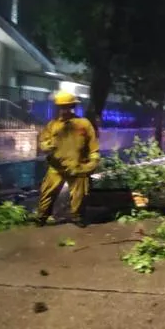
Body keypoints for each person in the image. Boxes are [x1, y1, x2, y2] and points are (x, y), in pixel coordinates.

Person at [36, 91, 99, 227]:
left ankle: (78, 218)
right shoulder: (52, 125)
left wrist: (93, 161)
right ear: (58, 108)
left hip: (77, 166)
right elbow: (42, 142)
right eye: (62, 107)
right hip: (56, 166)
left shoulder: (84, 124)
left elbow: (93, 147)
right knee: (47, 193)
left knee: (79, 195)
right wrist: (46, 146)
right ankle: (41, 217)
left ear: (73, 106)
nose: (64, 110)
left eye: (67, 106)